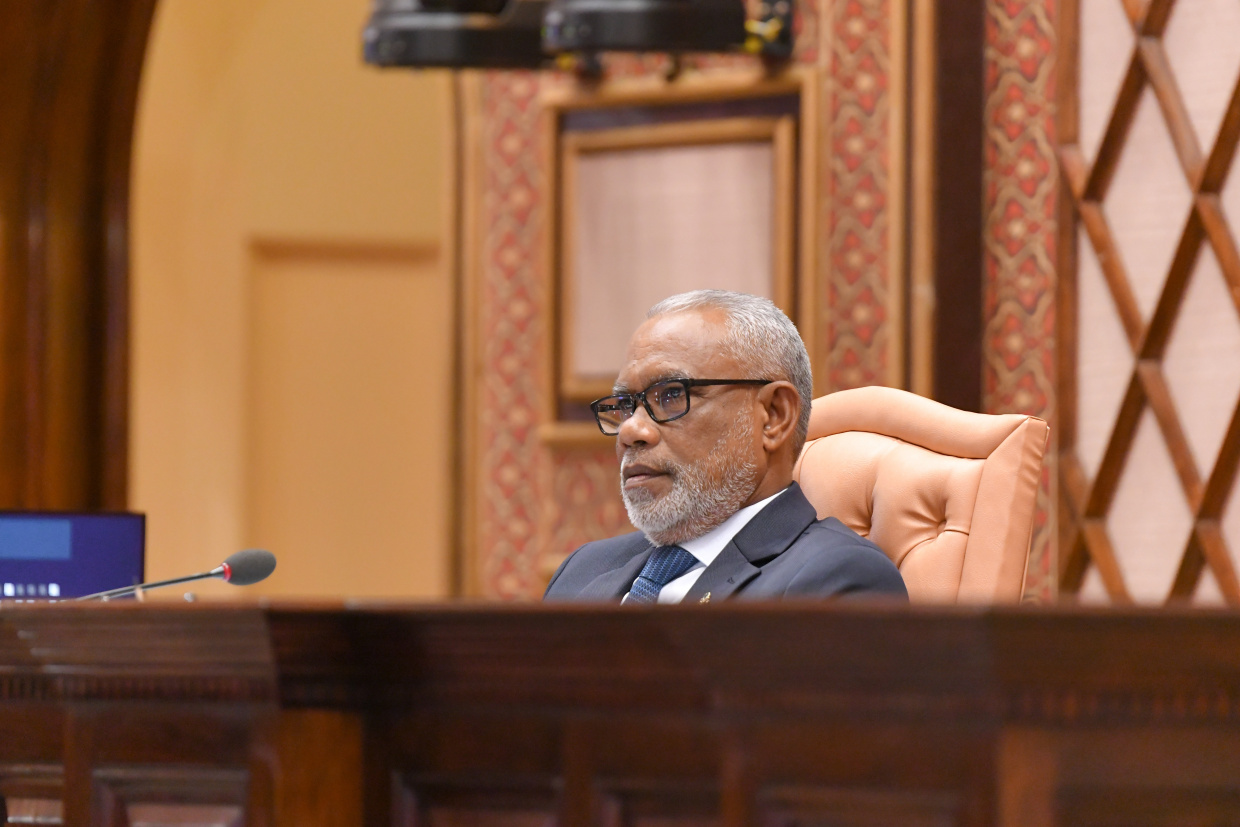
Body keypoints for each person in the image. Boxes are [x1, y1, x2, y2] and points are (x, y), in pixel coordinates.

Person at [544, 289, 907, 603]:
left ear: (774, 416)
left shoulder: (836, 577)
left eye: (671, 395)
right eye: (626, 405)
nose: (631, 430)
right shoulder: (582, 570)